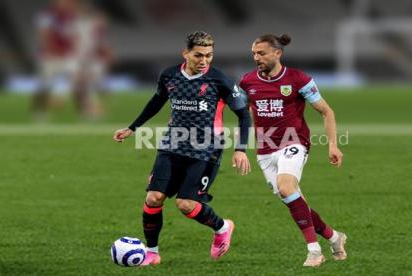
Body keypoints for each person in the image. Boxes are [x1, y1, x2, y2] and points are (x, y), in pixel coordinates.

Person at [113, 31, 251, 266]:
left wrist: (240, 149)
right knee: (154, 198)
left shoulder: (220, 80)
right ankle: (153, 252)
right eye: (199, 55)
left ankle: (222, 227)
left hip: (206, 148)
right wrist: (132, 128)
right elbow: (156, 102)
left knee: (186, 204)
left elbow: (243, 115)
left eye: (209, 55)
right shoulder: (169, 75)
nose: (204, 60)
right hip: (172, 143)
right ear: (185, 53)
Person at [239, 34, 347, 267]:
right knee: (296, 202)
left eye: (262, 53)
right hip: (265, 150)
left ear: (277, 53)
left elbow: (326, 111)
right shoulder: (247, 81)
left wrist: (333, 145)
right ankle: (334, 237)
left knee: (286, 186)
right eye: (254, 54)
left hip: (294, 143)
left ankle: (314, 251)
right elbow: (245, 114)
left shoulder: (298, 80)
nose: (256, 57)